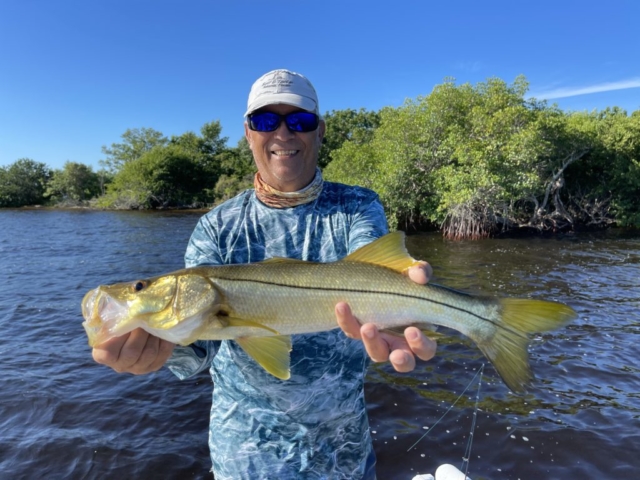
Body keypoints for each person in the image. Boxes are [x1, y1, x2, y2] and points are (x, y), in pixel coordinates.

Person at [92, 69, 437, 479]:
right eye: (266, 121)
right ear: (248, 132)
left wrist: (411, 300)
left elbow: (375, 273)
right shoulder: (217, 226)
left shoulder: (358, 207)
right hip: (247, 458)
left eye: (300, 120)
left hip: (344, 453)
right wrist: (157, 350)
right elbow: (200, 351)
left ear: (320, 130)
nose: (284, 133)